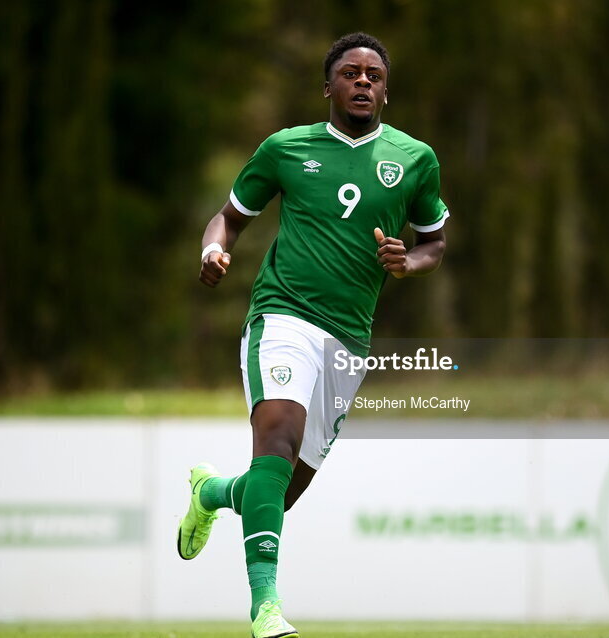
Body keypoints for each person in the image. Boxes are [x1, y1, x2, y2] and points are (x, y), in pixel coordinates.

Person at [179, 32, 449, 638]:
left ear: (385, 90)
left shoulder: (415, 159)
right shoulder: (285, 149)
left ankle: (213, 493)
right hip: (282, 316)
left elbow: (434, 240)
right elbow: (228, 218)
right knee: (276, 440)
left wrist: (411, 262)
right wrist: (213, 251)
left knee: (281, 489)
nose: (362, 82)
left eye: (373, 75)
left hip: (349, 340)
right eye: (350, 73)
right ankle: (266, 609)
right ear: (327, 86)